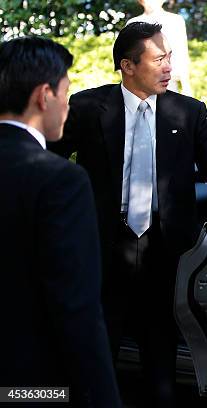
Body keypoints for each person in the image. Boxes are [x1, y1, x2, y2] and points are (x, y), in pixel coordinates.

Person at [49, 22, 207, 407]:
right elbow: (51, 162)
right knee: (97, 344)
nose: (168, 67)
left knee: (160, 349)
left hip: (163, 248)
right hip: (103, 244)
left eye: (170, 57)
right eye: (159, 58)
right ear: (128, 66)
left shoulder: (188, 111)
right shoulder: (87, 107)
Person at [0, 37, 121, 407]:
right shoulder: (59, 180)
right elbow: (76, 308)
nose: (69, 103)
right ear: (44, 96)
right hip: (30, 388)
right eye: (66, 91)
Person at [127, 0, 192, 95]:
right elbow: (127, 56)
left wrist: (186, 85)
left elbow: (181, 52)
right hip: (140, 83)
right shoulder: (133, 23)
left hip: (168, 81)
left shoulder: (175, 20)